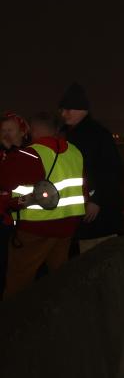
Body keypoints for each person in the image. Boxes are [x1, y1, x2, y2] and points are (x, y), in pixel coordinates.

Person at [5, 114, 85, 295]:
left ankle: (16, 312)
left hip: (35, 228)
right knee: (60, 277)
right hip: (67, 226)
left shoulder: (27, 154)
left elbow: (8, 189)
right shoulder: (74, 151)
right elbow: (83, 188)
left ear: (32, 131)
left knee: (19, 280)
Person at [57, 83, 124, 251]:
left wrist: (96, 200)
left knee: (101, 252)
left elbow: (111, 170)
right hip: (80, 208)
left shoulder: (98, 134)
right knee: (88, 252)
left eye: (68, 109)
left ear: (82, 109)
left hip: (98, 211)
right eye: (62, 110)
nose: (63, 114)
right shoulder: (68, 134)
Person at [1, 112, 34, 293]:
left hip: (25, 218)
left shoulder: (31, 153)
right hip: (4, 218)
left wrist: (11, 151)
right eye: (3, 130)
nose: (6, 134)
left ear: (22, 132)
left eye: (10, 130)